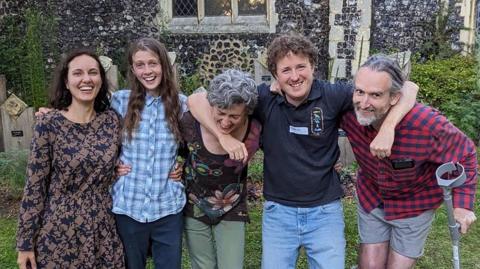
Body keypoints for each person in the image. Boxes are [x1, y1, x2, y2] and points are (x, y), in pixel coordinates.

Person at [188, 34, 418, 269]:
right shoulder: (264, 98)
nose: (295, 76)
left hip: (325, 212)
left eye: (301, 67)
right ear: (275, 74)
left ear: (313, 67)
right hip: (278, 213)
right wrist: (223, 137)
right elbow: (196, 100)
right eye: (286, 70)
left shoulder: (332, 94)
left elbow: (409, 87)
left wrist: (388, 128)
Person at [340, 54, 477, 269]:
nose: (364, 103)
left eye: (375, 95)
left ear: (395, 97)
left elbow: (466, 153)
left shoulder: (425, 124)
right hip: (372, 198)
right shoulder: (350, 113)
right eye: (359, 92)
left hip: (415, 205)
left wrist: (462, 205)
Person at [16, 49, 125, 268]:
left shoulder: (112, 121)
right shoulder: (48, 124)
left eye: (93, 72)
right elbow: (34, 187)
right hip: (59, 229)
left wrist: (174, 168)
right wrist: (25, 244)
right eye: (78, 73)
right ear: (66, 82)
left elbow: (131, 154)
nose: (86, 79)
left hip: (103, 226)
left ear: (101, 81)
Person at [110, 37, 186, 269]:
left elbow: (201, 142)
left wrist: (185, 163)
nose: (147, 70)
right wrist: (110, 164)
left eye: (152, 63)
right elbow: (91, 132)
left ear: (164, 65)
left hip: (167, 207)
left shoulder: (182, 104)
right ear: (132, 69)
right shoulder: (118, 102)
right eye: (140, 64)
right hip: (128, 206)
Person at [180, 69, 261, 269]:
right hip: (195, 203)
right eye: (221, 113)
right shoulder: (190, 122)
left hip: (232, 206)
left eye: (234, 116)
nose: (226, 122)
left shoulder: (255, 129)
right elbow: (174, 150)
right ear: (211, 105)